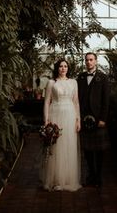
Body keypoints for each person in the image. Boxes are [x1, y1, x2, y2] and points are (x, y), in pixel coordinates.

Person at [42, 58, 81, 191]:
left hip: (70, 116)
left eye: (65, 66)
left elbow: (76, 102)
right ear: (57, 68)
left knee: (68, 145)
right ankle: (56, 179)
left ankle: (68, 178)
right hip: (56, 115)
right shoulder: (51, 82)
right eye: (61, 66)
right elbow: (47, 102)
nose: (63, 68)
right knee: (56, 146)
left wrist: (78, 120)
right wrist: (46, 120)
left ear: (68, 68)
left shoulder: (73, 82)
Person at [77, 52, 110, 188]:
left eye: (91, 60)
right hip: (84, 119)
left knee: (100, 150)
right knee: (88, 150)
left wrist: (103, 118)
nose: (89, 62)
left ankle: (98, 176)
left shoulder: (103, 78)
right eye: (87, 60)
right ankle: (91, 175)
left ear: (96, 61)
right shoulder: (80, 77)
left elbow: (106, 100)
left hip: (98, 119)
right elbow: (77, 98)